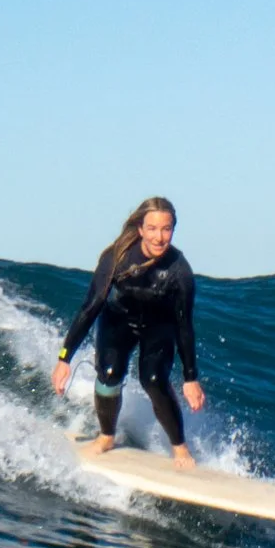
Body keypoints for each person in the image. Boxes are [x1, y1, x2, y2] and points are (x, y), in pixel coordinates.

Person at [51, 196, 208, 467]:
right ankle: (106, 437)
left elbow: (184, 325)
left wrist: (190, 378)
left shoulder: (179, 271)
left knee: (155, 380)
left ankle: (180, 447)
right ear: (140, 230)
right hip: (118, 320)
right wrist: (65, 358)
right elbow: (91, 307)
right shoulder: (117, 257)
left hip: (159, 326)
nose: (160, 237)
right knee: (109, 374)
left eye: (166, 229)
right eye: (153, 229)